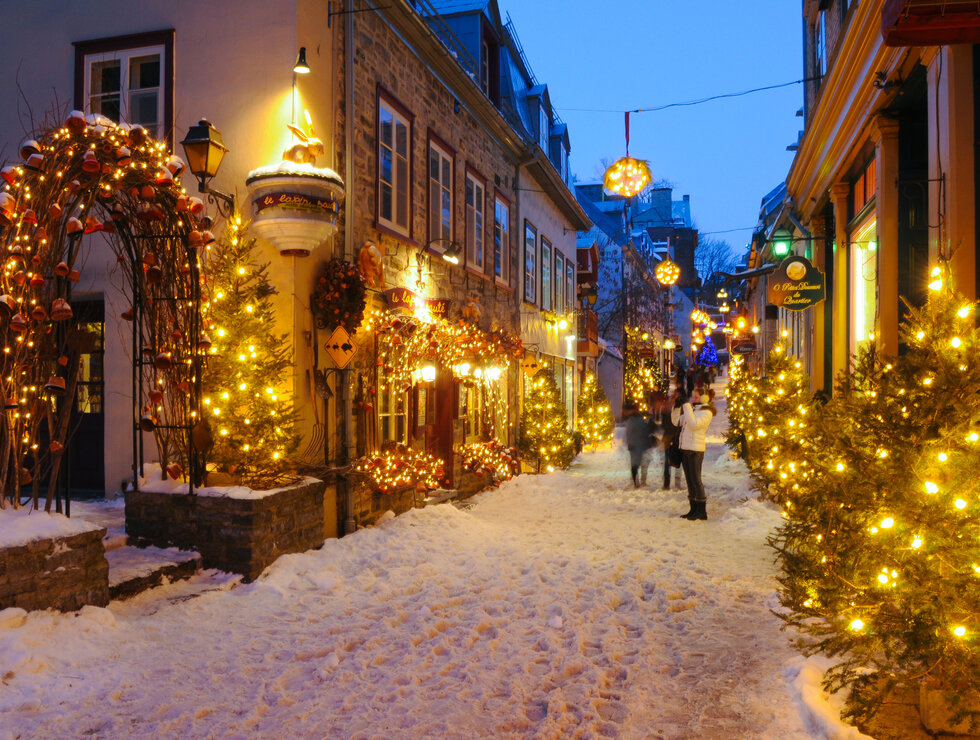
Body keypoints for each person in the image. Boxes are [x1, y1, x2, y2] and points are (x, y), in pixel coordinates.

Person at [671, 393, 715, 520]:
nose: (693, 399)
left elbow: (694, 424)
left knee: (696, 480)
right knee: (690, 481)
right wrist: (677, 407)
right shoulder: (694, 410)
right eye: (693, 397)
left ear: (704, 398)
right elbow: (677, 422)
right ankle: (693, 509)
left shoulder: (707, 412)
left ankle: (701, 511)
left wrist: (686, 406)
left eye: (696, 397)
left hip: (695, 450)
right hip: (685, 449)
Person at [624, 402, 651, 488]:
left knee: (637, 464)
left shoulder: (634, 420)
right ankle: (638, 482)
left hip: (637, 444)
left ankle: (638, 482)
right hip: (637, 445)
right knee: (638, 464)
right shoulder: (636, 419)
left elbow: (630, 433)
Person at [659, 391, 683, 490]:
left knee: (677, 461)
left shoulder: (680, 411)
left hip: (676, 439)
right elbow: (664, 425)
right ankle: (667, 483)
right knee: (667, 462)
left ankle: (675, 483)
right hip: (669, 439)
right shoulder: (667, 411)